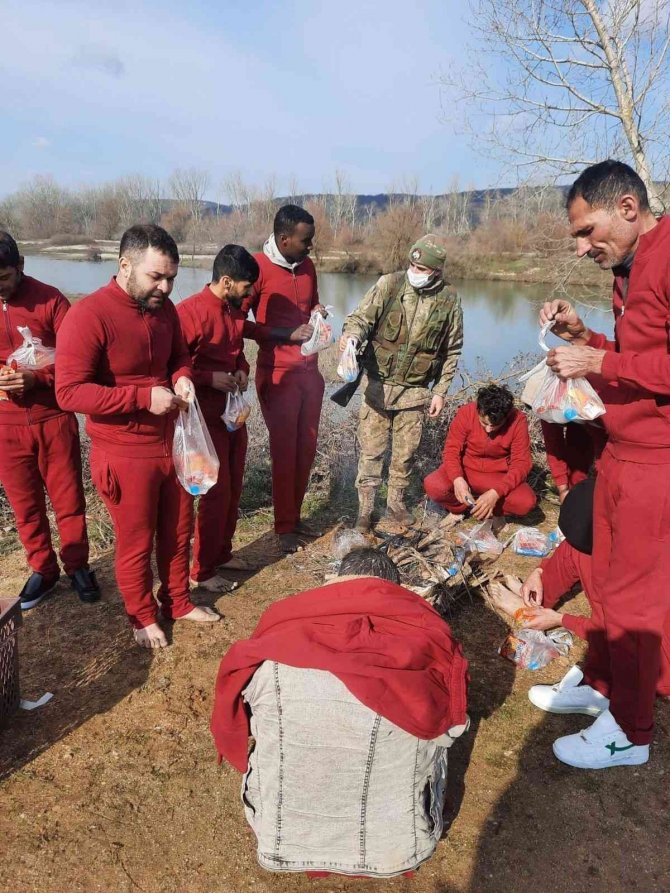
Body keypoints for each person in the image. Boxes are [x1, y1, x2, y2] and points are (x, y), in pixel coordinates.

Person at [210, 547, 468, 878]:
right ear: (393, 586)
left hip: (281, 840)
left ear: (336, 580)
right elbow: (453, 723)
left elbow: (235, 720)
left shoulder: (280, 627)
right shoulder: (426, 637)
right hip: (397, 848)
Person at [538, 159, 670, 768]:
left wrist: (600, 366)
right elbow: (640, 354)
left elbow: (640, 370)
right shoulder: (629, 267)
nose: (584, 246)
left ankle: (632, 735)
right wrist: (587, 337)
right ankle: (604, 687)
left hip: (657, 465)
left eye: (588, 231)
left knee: (639, 602)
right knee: (609, 586)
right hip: (620, 453)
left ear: (626, 209)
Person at [55, 224, 218, 648]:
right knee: (136, 540)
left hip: (174, 442)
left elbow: (181, 355)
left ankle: (178, 600)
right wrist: (143, 397)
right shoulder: (89, 315)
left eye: (172, 279)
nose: (165, 287)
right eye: (156, 277)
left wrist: (182, 378)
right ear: (125, 265)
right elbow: (69, 391)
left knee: (179, 530)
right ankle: (141, 614)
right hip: (125, 451)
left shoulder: (164, 310)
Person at [176, 244, 313, 592]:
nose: (250, 293)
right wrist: (208, 379)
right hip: (204, 417)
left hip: (232, 414)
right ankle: (202, 571)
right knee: (215, 491)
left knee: (234, 484)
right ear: (226, 281)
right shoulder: (189, 313)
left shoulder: (234, 311)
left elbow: (240, 347)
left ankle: (221, 553)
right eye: (246, 286)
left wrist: (241, 370)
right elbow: (172, 367)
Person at [489, 478, 670, 709]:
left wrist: (561, 620)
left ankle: (599, 693)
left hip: (658, 661)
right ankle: (535, 603)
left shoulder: (648, 567)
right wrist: (539, 572)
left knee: (621, 639)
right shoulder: (626, 505)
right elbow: (575, 544)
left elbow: (616, 629)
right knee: (578, 551)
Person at [0, 231, 99, 610]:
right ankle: (43, 568)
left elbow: (78, 360)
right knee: (24, 503)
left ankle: (77, 565)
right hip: (5, 424)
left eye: (4, 279)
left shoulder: (51, 299)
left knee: (68, 497)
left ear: (21, 267)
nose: (1, 290)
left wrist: (36, 378)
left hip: (53, 416)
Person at [340, 234, 463, 531]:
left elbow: (453, 350)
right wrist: (351, 337)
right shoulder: (390, 284)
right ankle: (365, 511)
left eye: (422, 270)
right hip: (378, 387)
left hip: (415, 392)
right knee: (371, 452)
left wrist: (441, 392)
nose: (415, 273)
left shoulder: (449, 300)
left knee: (405, 454)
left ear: (437, 272)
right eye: (412, 265)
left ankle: (395, 503)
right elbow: (360, 318)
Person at [247, 205, 326, 554]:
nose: (311, 247)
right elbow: (238, 323)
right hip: (278, 375)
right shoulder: (256, 268)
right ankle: (283, 528)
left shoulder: (307, 266)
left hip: (311, 373)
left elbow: (314, 303)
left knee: (306, 449)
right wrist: (284, 334)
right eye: (305, 241)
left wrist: (318, 313)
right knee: (285, 451)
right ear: (284, 239)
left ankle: (294, 517)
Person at [424, 384, 536, 524]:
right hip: (466, 470)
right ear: (478, 410)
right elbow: (451, 450)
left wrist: (496, 492)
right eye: (484, 423)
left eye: (495, 425)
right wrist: (457, 479)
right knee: (434, 485)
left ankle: (494, 511)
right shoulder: (466, 412)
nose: (489, 430)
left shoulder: (518, 420)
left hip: (498, 476)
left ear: (506, 417)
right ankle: (459, 510)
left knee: (526, 502)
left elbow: (522, 463)